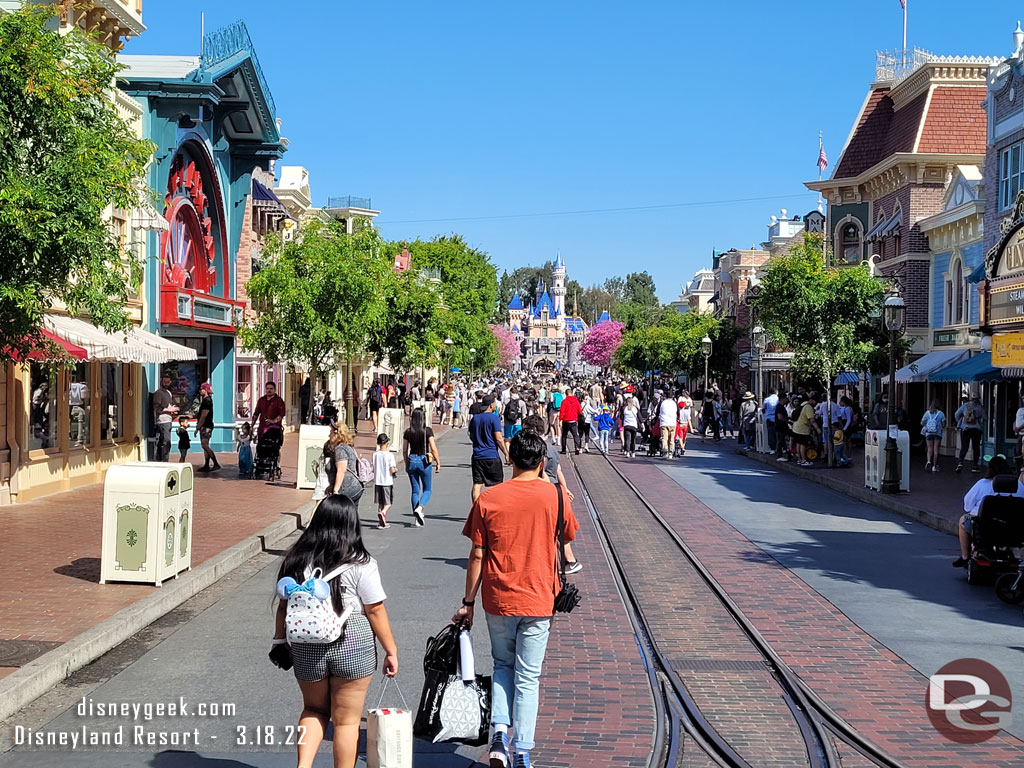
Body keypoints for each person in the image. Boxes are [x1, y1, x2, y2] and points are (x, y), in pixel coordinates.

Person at [453, 430, 579, 768]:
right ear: (541, 463)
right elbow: (566, 539)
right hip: (539, 597)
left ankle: (499, 732)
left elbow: (477, 554)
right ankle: (522, 751)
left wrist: (467, 602)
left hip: (498, 597)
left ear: (510, 459)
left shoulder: (489, 499)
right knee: (528, 675)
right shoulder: (556, 496)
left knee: (503, 666)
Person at [271, 494, 398, 768]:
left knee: (313, 709)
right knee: (347, 721)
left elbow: (283, 606)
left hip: (305, 643)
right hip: (352, 641)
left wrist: (280, 640)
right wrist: (391, 650)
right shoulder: (361, 564)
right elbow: (375, 610)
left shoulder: (295, 560)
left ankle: (303, 766)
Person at [522, 414, 582, 574]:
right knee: (555, 528)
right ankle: (567, 561)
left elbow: (542, 473)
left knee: (552, 529)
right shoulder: (552, 449)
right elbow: (559, 470)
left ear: (532, 430)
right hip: (555, 490)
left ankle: (568, 561)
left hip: (546, 491)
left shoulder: (539, 449)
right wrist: (564, 488)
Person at [953, 455, 1024, 567]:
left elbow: (967, 505)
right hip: (1012, 531)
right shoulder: (1019, 486)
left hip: (985, 529)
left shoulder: (982, 484)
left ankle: (965, 556)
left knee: (963, 520)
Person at [403, 408, 441, 526]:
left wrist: (406, 463)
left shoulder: (408, 432)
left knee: (415, 490)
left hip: (412, 460)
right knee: (427, 489)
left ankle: (416, 518)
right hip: (424, 460)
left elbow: (405, 450)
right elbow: (433, 448)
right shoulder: (427, 431)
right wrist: (438, 463)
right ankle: (419, 509)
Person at [468, 395, 509, 502]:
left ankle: (476, 509)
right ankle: (496, 508)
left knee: (477, 484)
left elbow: (471, 435)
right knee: (497, 485)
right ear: (491, 405)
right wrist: (506, 453)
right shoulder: (494, 418)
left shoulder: (475, 419)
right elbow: (499, 438)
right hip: (491, 455)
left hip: (477, 455)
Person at [326, 423, 364, 502]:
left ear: (337, 434)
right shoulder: (348, 447)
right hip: (355, 487)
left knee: (340, 513)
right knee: (352, 513)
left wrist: (335, 491)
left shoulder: (340, 449)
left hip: (346, 488)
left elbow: (341, 470)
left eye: (331, 433)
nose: (329, 436)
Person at [954, 394, 985, 473]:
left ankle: (960, 462)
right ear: (978, 399)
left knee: (964, 447)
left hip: (965, 428)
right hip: (976, 429)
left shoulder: (965, 405)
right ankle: (975, 466)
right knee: (976, 448)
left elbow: (956, 414)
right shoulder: (980, 407)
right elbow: (986, 418)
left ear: (971, 398)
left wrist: (961, 422)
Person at [152, 372, 178, 462]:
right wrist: (168, 410)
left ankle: (164, 459)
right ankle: (162, 460)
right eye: (164, 382)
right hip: (162, 421)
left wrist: (172, 410)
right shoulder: (158, 393)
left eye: (168, 382)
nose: (166, 383)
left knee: (166, 442)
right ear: (161, 382)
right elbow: (157, 409)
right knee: (165, 442)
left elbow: (168, 407)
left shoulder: (168, 393)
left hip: (169, 420)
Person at [373, 433, 397, 529]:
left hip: (377, 481)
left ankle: (381, 521)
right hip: (387, 481)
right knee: (388, 502)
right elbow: (392, 469)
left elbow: (373, 467)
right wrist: (395, 470)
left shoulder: (375, 455)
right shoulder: (390, 455)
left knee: (380, 502)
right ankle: (383, 512)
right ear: (387, 443)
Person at [194, 382, 220, 472]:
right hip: (205, 426)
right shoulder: (205, 400)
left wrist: (198, 427)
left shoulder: (207, 401)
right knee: (205, 445)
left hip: (206, 426)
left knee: (204, 445)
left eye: (202, 389)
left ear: (205, 390)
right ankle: (206, 465)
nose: (200, 391)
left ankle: (216, 463)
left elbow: (203, 415)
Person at [791, 393, 819, 466]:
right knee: (803, 444)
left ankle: (799, 459)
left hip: (796, 427)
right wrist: (818, 428)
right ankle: (803, 460)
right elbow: (812, 420)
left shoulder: (803, 404)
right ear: (812, 400)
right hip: (803, 428)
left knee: (798, 444)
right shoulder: (808, 407)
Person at [921, 400, 946, 473]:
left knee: (929, 448)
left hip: (929, 433)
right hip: (938, 433)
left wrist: (927, 425)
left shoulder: (927, 413)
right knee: (936, 449)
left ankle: (929, 461)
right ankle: (934, 466)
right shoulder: (941, 414)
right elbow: (943, 424)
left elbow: (922, 422)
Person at [559, 389, 583, 455]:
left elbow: (562, 411)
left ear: (566, 394)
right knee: (575, 435)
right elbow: (580, 411)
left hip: (566, 421)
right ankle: (577, 448)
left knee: (564, 435)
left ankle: (563, 450)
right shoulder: (576, 401)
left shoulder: (564, 401)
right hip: (573, 421)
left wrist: (560, 419)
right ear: (572, 393)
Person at [658, 393, 678, 458]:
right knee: (671, 439)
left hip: (664, 422)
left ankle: (665, 451)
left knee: (664, 438)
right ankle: (670, 453)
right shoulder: (674, 403)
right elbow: (678, 412)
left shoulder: (663, 403)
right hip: (672, 422)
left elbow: (658, 411)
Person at [775, 395, 791, 461]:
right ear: (782, 399)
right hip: (780, 426)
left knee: (783, 440)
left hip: (783, 426)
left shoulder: (781, 407)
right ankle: (779, 455)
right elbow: (780, 417)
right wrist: (788, 421)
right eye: (786, 398)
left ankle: (787, 452)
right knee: (780, 441)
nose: (787, 400)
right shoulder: (779, 407)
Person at [763, 388, 779, 454]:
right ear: (776, 392)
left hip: (769, 418)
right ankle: (779, 448)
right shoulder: (778, 399)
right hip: (777, 418)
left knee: (770, 433)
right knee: (778, 433)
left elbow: (763, 409)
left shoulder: (766, 399)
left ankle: (772, 448)